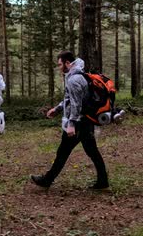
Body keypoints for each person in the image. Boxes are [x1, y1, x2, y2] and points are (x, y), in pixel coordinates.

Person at [30, 51, 109, 190]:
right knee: (92, 151)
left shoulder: (73, 80)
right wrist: (58, 109)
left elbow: (76, 104)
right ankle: (103, 181)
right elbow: (69, 99)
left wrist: (71, 124)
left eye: (60, 64)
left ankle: (47, 180)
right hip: (86, 121)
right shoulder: (79, 76)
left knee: (63, 152)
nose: (59, 67)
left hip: (78, 123)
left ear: (68, 63)